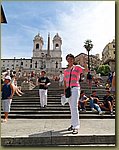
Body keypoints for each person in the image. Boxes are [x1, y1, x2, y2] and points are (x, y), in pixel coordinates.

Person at [63, 54, 84, 134]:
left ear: (73, 60)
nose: (70, 60)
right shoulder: (65, 70)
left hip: (75, 88)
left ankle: (76, 126)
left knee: (74, 107)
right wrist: (64, 91)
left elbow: (85, 71)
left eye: (71, 59)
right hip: (68, 89)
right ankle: (72, 124)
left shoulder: (77, 67)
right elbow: (65, 81)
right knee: (71, 108)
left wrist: (84, 61)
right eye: (68, 59)